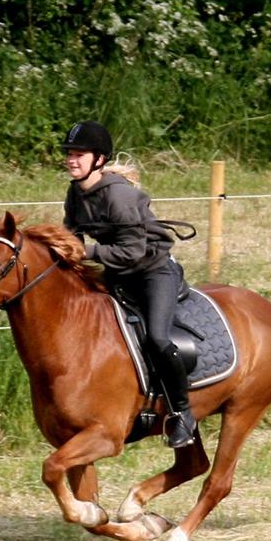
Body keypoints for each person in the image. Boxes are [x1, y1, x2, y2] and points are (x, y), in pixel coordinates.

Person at [61, 120, 198, 448]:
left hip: (153, 271)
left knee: (157, 338)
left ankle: (182, 413)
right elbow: (72, 235)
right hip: (118, 272)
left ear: (99, 160)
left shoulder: (119, 196)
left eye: (79, 155)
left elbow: (133, 251)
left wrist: (86, 251)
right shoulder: (75, 192)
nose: (71, 160)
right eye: (69, 154)